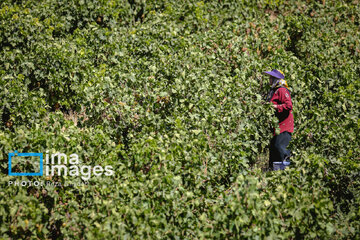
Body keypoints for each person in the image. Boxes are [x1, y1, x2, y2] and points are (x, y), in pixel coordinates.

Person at [264, 69, 294, 170]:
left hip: (284, 127)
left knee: (281, 150)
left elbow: (288, 105)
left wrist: (275, 107)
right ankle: (274, 174)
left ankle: (284, 174)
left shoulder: (282, 90)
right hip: (277, 128)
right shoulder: (274, 91)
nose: (270, 80)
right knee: (274, 150)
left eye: (271, 78)